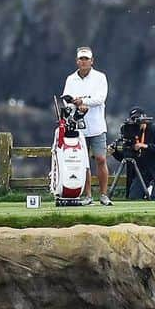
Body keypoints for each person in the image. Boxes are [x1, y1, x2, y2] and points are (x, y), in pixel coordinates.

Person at [63, 46, 110, 206]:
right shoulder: (71, 79)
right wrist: (76, 106)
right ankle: (88, 195)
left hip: (97, 125)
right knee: (83, 163)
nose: (83, 62)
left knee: (101, 159)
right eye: (81, 59)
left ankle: (104, 195)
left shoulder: (100, 77)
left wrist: (83, 102)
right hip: (78, 126)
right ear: (77, 61)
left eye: (86, 59)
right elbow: (66, 100)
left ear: (92, 61)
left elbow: (100, 98)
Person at [120, 107, 155, 199]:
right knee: (134, 197)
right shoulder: (130, 132)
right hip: (141, 173)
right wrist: (115, 152)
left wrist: (146, 146)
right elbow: (127, 157)